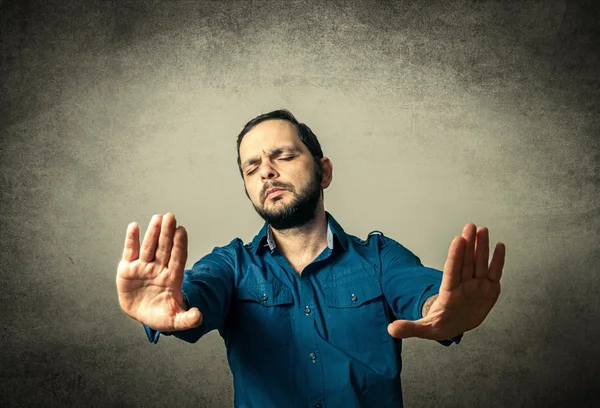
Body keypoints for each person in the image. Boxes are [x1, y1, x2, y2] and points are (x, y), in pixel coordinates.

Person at [116, 109, 506, 408]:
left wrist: (443, 309)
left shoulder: (380, 257)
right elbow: (194, 295)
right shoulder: (231, 265)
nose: (266, 172)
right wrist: (172, 304)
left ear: (324, 172)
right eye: (252, 168)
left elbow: (425, 294)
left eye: (282, 156)